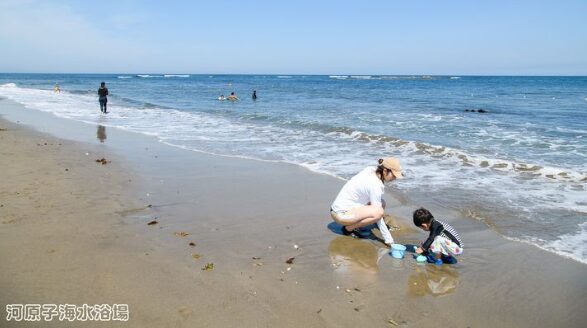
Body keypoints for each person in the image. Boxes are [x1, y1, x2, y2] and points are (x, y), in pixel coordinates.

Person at [330, 157, 403, 246]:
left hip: (336, 209)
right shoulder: (376, 185)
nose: (395, 178)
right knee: (379, 212)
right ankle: (348, 228)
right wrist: (389, 240)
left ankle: (358, 225)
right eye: (394, 175)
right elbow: (378, 213)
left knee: (381, 203)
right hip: (341, 215)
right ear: (384, 171)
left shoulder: (370, 170)